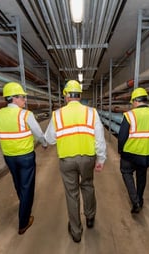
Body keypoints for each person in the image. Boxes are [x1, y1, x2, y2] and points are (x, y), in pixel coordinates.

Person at [45, 80, 106, 243]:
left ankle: (76, 231)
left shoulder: (57, 114)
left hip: (67, 160)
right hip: (87, 158)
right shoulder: (92, 112)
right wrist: (101, 158)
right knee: (88, 186)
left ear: (66, 96)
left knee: (71, 194)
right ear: (79, 95)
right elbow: (99, 138)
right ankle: (90, 217)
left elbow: (50, 139)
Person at [0, 81, 47, 235]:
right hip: (26, 156)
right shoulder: (26, 114)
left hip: (9, 157)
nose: (24, 100)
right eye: (22, 97)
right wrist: (44, 143)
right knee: (28, 187)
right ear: (13, 98)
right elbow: (38, 133)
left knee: (18, 183)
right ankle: (23, 222)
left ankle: (23, 205)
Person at [118, 87, 149, 214]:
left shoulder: (130, 115)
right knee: (142, 176)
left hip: (129, 153)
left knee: (126, 173)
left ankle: (135, 201)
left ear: (135, 101)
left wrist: (120, 150)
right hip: (147, 153)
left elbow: (122, 136)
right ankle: (140, 198)